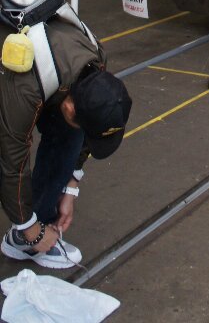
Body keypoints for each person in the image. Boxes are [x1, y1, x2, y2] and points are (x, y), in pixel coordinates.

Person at [0, 15, 132, 270]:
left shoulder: (96, 63)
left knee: (70, 133)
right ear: (70, 107)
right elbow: (11, 162)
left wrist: (71, 186)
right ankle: (26, 236)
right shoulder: (25, 89)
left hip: (49, 71)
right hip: (17, 71)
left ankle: (26, 239)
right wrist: (31, 231)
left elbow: (88, 131)